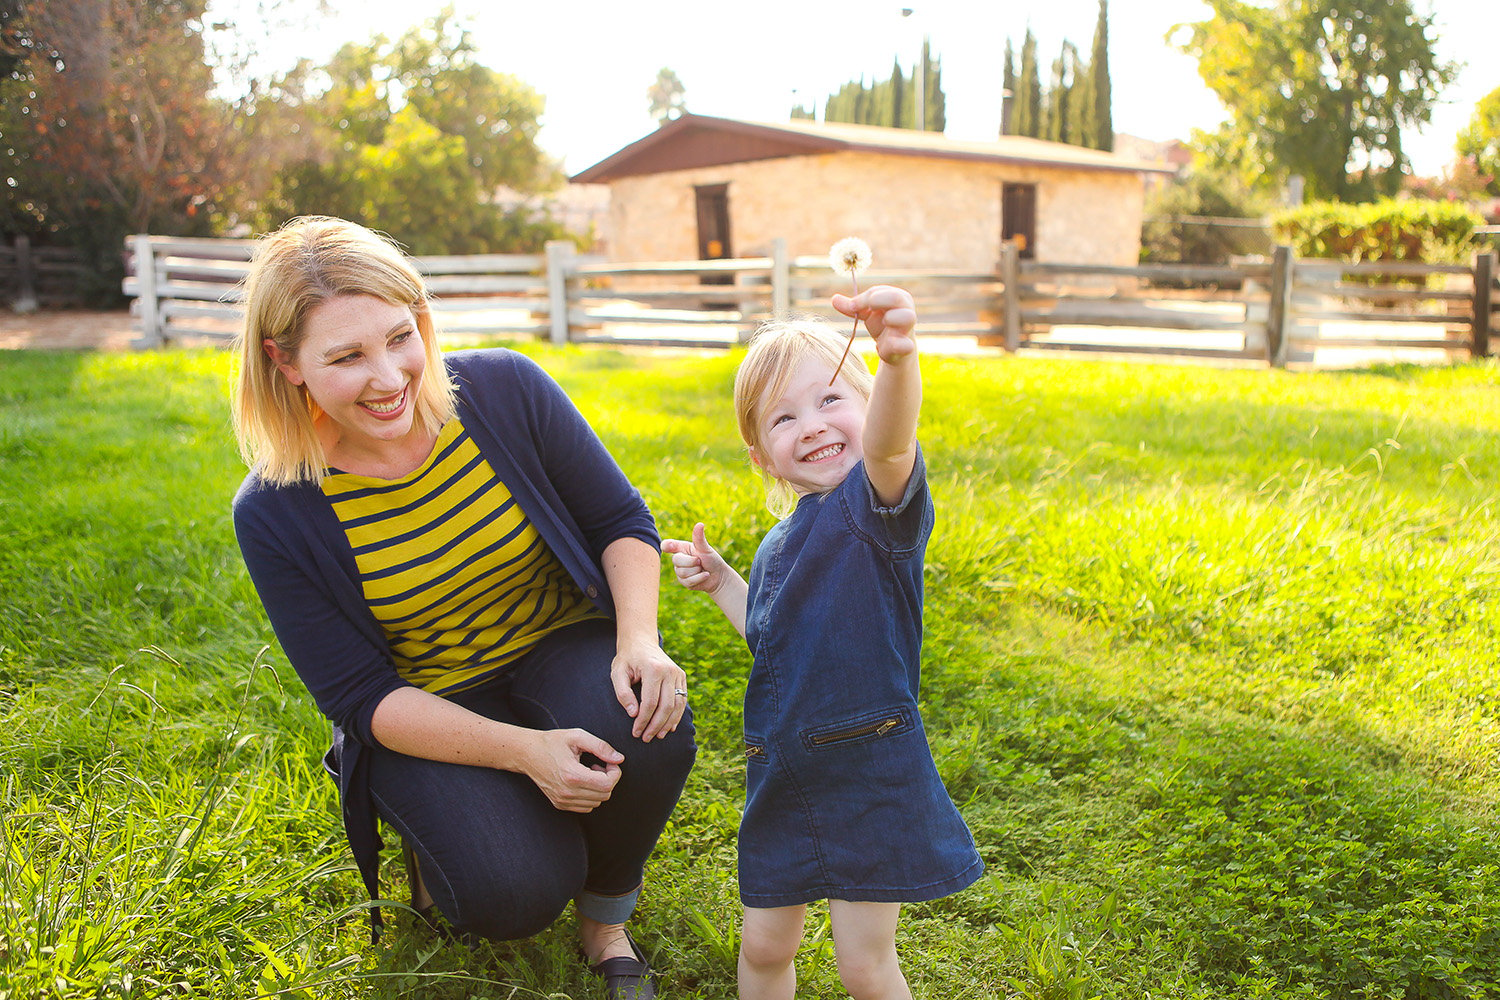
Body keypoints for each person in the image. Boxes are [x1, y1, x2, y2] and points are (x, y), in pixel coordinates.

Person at [230, 216, 694, 1000]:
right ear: (285, 363)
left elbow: (620, 522)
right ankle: (463, 826)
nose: (389, 378)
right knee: (509, 893)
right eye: (346, 357)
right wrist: (522, 753)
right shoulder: (275, 509)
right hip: (427, 700)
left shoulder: (505, 389)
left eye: (399, 336)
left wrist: (639, 640)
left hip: (554, 642)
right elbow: (358, 697)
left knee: (649, 724)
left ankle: (605, 916)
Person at [662, 287, 983, 1000]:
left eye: (833, 399)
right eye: (784, 417)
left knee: (863, 965)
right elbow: (775, 642)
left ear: (869, 409)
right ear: (761, 455)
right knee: (765, 945)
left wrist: (897, 360)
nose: (811, 425)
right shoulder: (780, 542)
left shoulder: (876, 509)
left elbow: (895, 441)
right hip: (782, 774)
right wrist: (721, 583)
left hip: (867, 768)